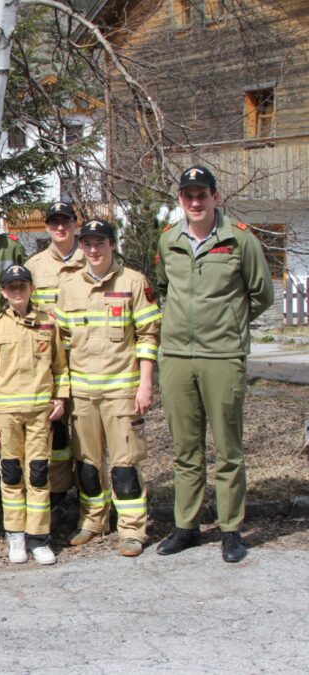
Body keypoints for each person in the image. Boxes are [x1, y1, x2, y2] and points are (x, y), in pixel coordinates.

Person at [154, 166, 274, 563]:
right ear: (181, 200)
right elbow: (164, 289)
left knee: (228, 450)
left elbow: (262, 294)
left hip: (222, 357)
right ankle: (186, 527)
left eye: (201, 194)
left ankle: (231, 530)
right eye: (188, 195)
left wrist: (230, 325)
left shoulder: (240, 240)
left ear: (214, 197)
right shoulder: (168, 240)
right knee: (185, 451)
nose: (195, 201)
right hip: (176, 358)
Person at [56, 219, 160, 557]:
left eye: (100, 242)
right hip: (83, 394)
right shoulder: (69, 286)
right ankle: (93, 520)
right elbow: (61, 342)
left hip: (121, 393)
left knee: (125, 463)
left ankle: (131, 530)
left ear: (112, 245)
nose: (94, 249)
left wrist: (145, 384)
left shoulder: (133, 282)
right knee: (87, 463)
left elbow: (148, 336)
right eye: (87, 243)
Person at [0, 265, 68, 565]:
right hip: (6, 413)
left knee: (39, 473)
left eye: (21, 285)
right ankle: (15, 535)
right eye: (10, 287)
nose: (16, 291)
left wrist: (60, 396)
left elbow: (60, 366)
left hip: (38, 412)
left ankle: (39, 538)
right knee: (11, 474)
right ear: (3, 292)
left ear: (31, 288)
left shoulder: (48, 323)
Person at [25, 202, 85, 509]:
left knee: (88, 435)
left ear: (75, 224)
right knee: (57, 434)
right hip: (50, 363)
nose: (60, 227)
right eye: (54, 222)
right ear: (46, 227)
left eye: (66, 221)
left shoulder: (93, 257)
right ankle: (59, 496)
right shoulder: (35, 266)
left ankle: (92, 498)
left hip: (89, 360)